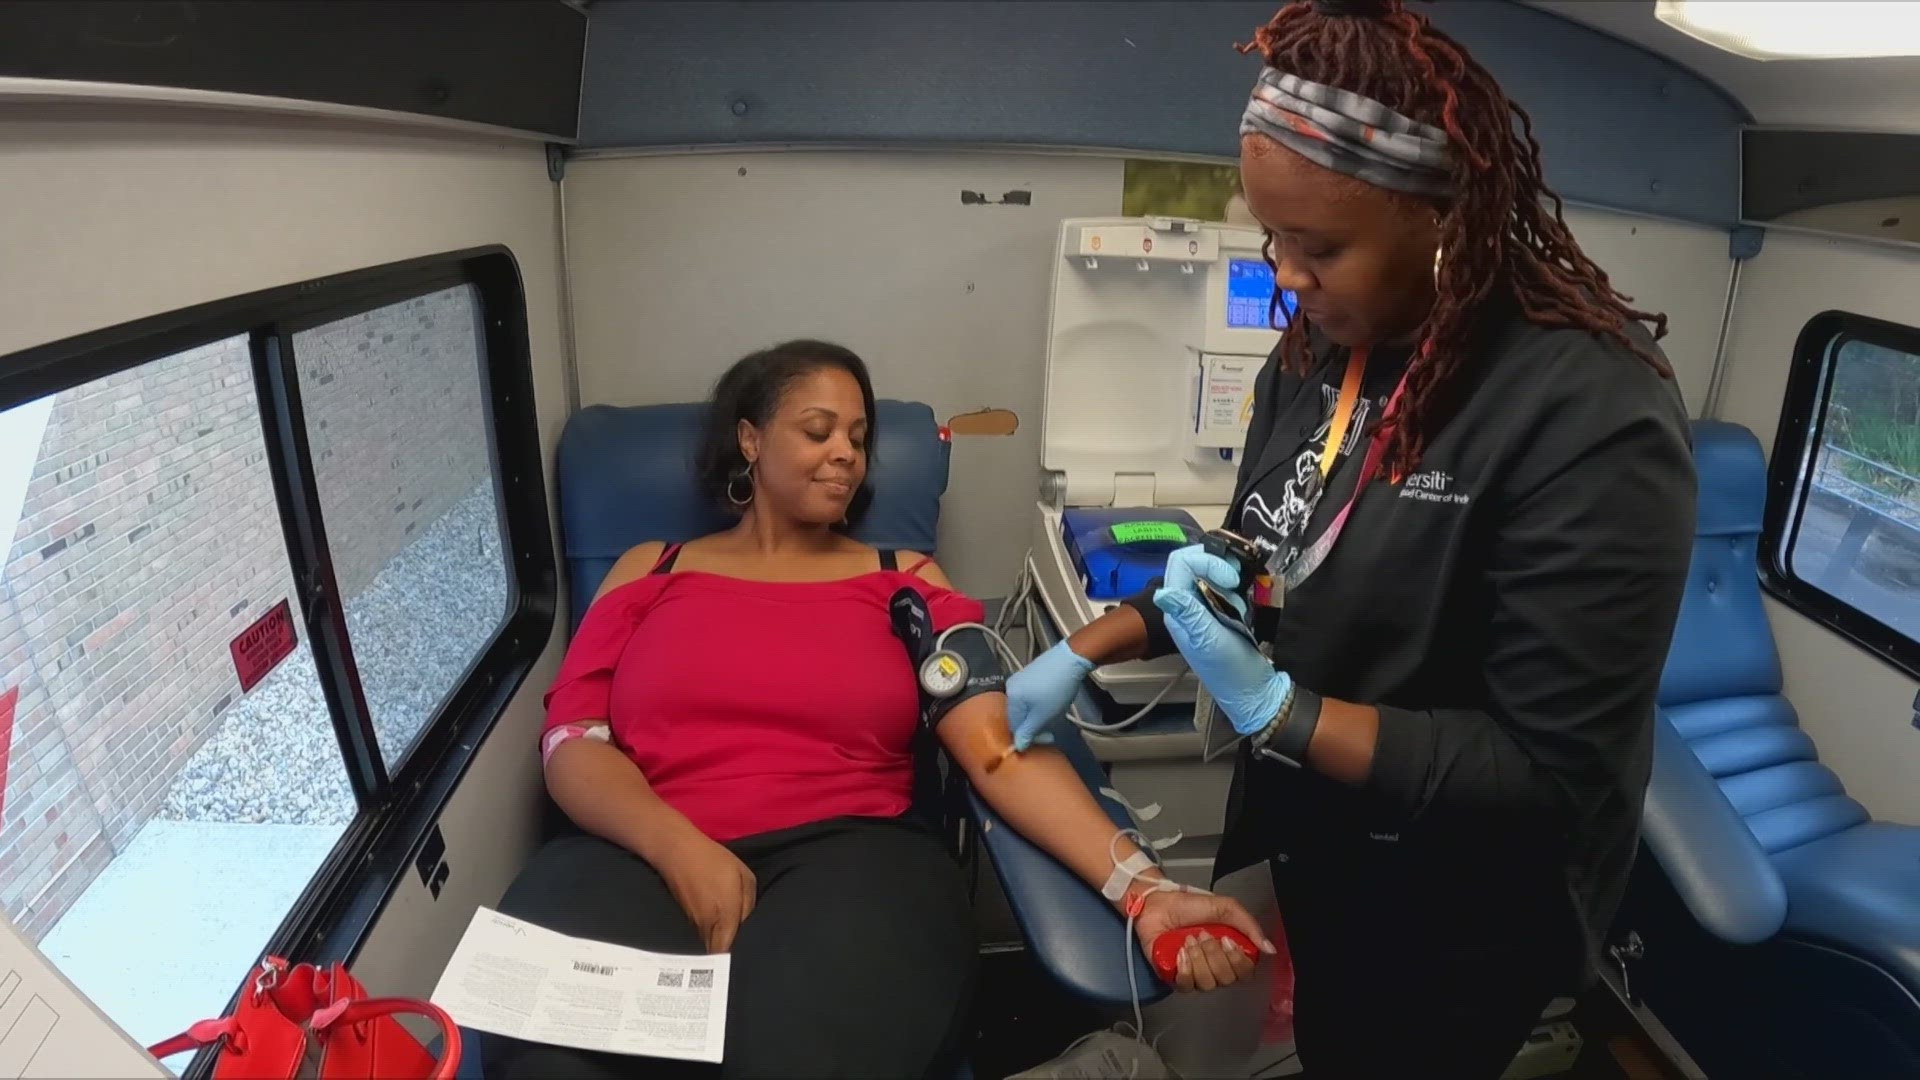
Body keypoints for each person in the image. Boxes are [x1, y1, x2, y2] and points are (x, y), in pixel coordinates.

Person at [1005, 1, 1697, 1075]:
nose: (1284, 274)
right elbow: (1251, 552)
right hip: (1315, 846)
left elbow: (1548, 774)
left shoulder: (1588, 410)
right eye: (1272, 236)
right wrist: (1088, 646)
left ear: (1445, 222)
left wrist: (1283, 713)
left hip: (1459, 911)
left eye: (1318, 245)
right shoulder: (1323, 352)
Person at [481, 340, 1270, 1080]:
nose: (846, 456)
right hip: (636, 848)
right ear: (750, 441)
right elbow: (572, 740)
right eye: (818, 430)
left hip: (851, 862)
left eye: (858, 439)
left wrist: (1146, 890)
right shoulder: (652, 570)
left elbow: (996, 749)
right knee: (552, 1059)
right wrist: (682, 849)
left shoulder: (908, 584)